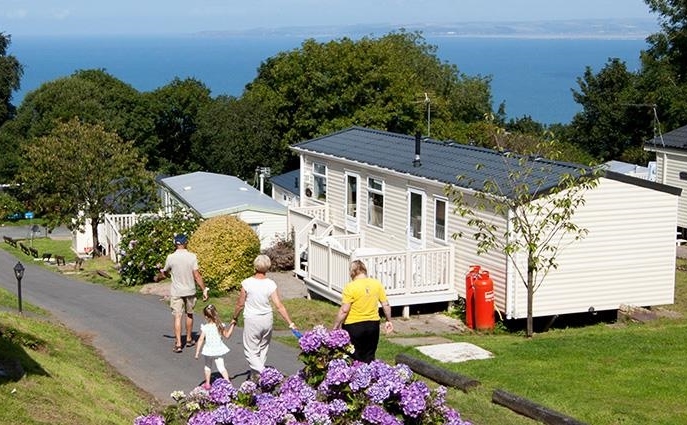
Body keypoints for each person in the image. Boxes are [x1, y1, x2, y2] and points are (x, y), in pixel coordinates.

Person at [232, 254, 298, 378]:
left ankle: (265, 374)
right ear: (268, 267)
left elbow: (240, 304)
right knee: (263, 349)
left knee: (251, 351)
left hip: (252, 319)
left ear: (255, 266)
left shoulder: (247, 283)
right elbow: (279, 305)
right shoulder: (271, 284)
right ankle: (257, 378)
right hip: (267, 319)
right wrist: (290, 322)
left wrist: (234, 317)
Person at [333, 259, 393, 363]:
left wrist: (336, 326)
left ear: (352, 272)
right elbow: (385, 304)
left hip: (353, 325)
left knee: (353, 357)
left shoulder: (350, 287)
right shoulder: (376, 284)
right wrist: (389, 320)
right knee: (369, 356)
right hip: (373, 325)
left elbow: (344, 310)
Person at [157, 234, 209, 353]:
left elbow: (165, 272)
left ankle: (179, 344)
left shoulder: (170, 257)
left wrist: (162, 275)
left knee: (177, 316)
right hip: (190, 290)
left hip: (177, 291)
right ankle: (189, 339)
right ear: (186, 243)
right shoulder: (192, 256)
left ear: (175, 244)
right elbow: (197, 275)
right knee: (189, 314)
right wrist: (204, 289)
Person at [195, 304, 235, 389]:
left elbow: (201, 340)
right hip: (218, 350)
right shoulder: (220, 326)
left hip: (208, 350)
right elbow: (227, 335)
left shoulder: (205, 327)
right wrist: (232, 325)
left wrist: (197, 352)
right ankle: (228, 382)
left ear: (206, 317)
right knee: (221, 367)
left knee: (207, 366)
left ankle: (207, 383)